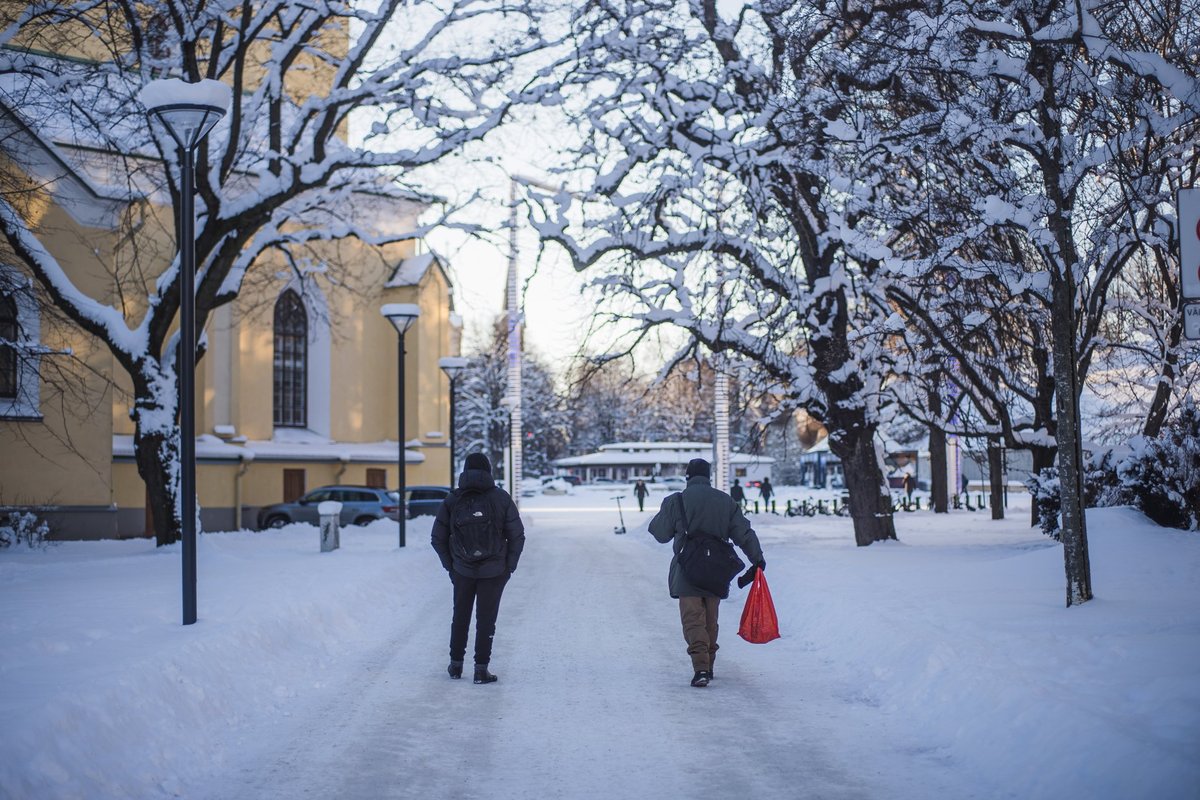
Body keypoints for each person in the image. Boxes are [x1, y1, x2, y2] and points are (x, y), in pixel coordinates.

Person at [648, 458, 765, 688]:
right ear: (708, 477)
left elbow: (660, 533)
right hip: (716, 570)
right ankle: (709, 665)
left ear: (688, 477)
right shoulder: (726, 502)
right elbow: (744, 533)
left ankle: (700, 667)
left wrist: (672, 514)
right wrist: (757, 559)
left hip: (687, 569)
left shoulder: (677, 500)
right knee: (711, 620)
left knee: (693, 620)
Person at [431, 452, 525, 684]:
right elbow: (517, 536)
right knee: (486, 620)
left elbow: (437, 537)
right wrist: (508, 567)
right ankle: (481, 670)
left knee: (460, 616)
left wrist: (451, 567)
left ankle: (455, 666)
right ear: (489, 472)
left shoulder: (453, 499)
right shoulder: (501, 498)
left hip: (462, 570)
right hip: (494, 571)